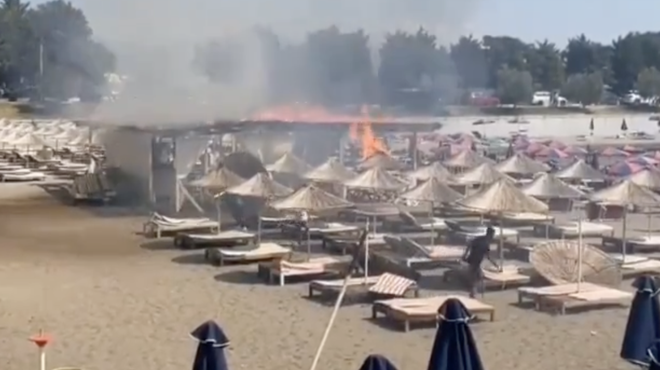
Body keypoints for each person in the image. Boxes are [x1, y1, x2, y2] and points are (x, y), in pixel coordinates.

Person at [462, 226, 499, 298]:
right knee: (476, 277)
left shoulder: (480, 239)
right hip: (475, 261)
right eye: (492, 235)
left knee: (477, 277)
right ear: (490, 234)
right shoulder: (485, 242)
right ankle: (473, 293)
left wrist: (465, 255)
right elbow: (488, 256)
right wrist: (495, 264)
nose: (492, 237)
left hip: (474, 260)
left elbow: (470, 244)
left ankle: (473, 292)